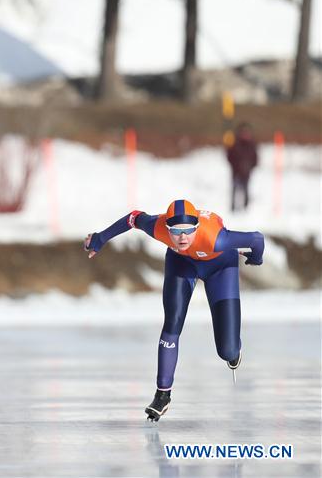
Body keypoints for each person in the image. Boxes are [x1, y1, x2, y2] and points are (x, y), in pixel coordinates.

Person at [84, 199, 264, 421]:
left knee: (227, 350)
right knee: (172, 322)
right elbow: (133, 218)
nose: (182, 237)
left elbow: (257, 239)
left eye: (189, 230)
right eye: (176, 231)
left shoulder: (217, 238)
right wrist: (100, 238)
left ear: (197, 227)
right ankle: (162, 395)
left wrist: (256, 258)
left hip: (220, 266)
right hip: (182, 263)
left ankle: (234, 351)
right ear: (166, 228)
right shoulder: (157, 226)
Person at [226, 123, 258, 212]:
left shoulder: (252, 144)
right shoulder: (234, 143)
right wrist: (235, 165)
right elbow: (229, 156)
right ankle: (233, 208)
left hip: (246, 171)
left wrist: (251, 166)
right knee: (234, 189)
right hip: (236, 171)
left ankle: (245, 207)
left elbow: (255, 157)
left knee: (246, 189)